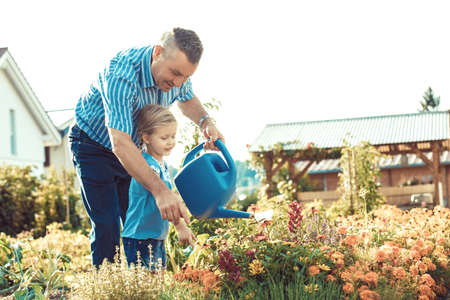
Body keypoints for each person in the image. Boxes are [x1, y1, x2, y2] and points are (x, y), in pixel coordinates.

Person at [69, 27, 224, 267]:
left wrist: (206, 121)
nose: (178, 83)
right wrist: (161, 190)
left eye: (185, 76)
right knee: (108, 223)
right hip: (94, 146)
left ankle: (139, 285)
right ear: (158, 52)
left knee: (137, 222)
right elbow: (120, 143)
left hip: (133, 150)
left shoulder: (177, 76)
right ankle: (106, 287)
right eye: (175, 74)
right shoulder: (121, 75)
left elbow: (187, 98)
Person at [121, 104, 195, 270]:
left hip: (154, 235)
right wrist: (179, 225)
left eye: (173, 136)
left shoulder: (162, 165)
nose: (171, 142)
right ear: (146, 138)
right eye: (164, 138)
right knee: (147, 288)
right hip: (140, 237)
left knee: (156, 285)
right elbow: (162, 202)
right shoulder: (149, 167)